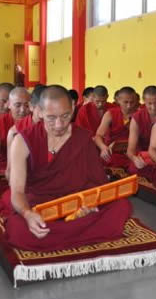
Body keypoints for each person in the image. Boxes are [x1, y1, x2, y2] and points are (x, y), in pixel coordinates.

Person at [1, 85, 131, 251]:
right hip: (41, 203)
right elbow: (17, 191)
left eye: (65, 116)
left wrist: (92, 204)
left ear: (72, 108)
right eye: (51, 118)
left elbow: (97, 182)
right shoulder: (23, 141)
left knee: (122, 206)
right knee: (19, 228)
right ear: (39, 111)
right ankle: (76, 228)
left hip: (77, 200)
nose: (59, 124)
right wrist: (27, 214)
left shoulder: (83, 138)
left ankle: (66, 227)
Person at [126, 85, 156, 179]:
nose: (153, 107)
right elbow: (130, 150)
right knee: (134, 168)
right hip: (145, 158)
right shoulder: (137, 118)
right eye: (149, 103)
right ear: (144, 100)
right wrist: (135, 159)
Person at [93, 86, 137, 168]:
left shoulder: (139, 114)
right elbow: (98, 135)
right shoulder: (110, 114)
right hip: (114, 152)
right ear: (118, 100)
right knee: (108, 160)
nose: (129, 106)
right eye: (126, 102)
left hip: (134, 151)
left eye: (132, 102)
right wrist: (103, 148)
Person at [0, 87, 30, 170]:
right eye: (18, 105)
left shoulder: (35, 122)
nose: (23, 110)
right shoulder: (1, 122)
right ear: (8, 104)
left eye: (27, 105)